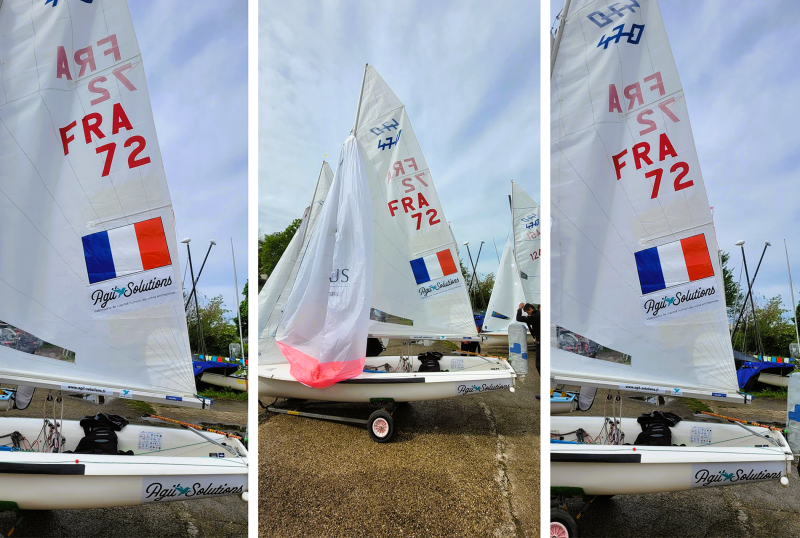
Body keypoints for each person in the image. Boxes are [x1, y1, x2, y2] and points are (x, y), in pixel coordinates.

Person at [517, 302, 540, 374]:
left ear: (530, 308)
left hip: (540, 342)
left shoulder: (534, 316)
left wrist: (520, 308)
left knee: (538, 364)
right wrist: (534, 337)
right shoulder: (538, 314)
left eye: (528, 312)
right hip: (538, 339)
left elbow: (519, 318)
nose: (528, 314)